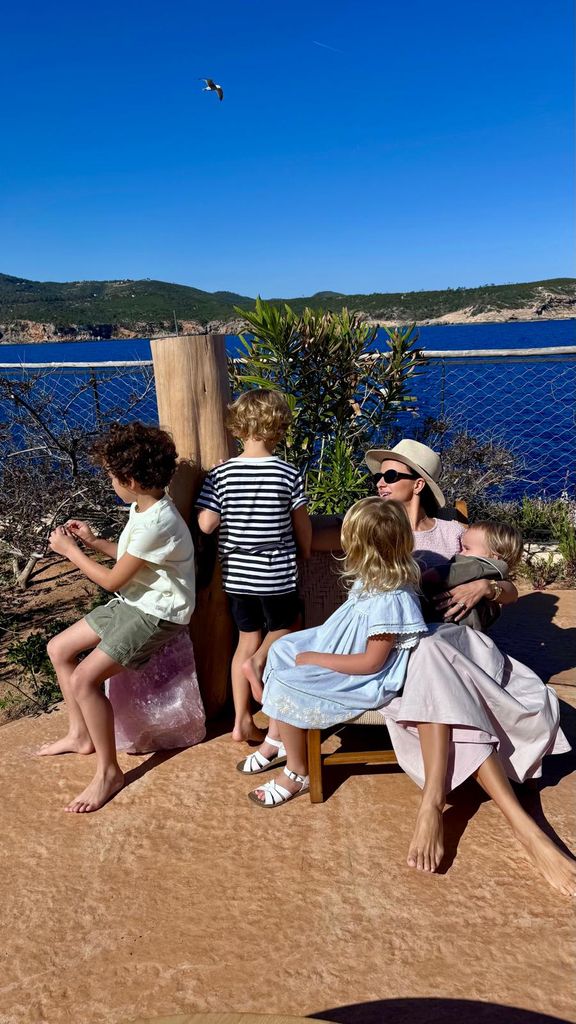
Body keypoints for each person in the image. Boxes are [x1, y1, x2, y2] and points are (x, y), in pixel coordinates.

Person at [364, 442, 574, 895]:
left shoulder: (453, 532)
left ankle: (432, 803)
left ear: (418, 484)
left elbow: (509, 586)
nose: (380, 482)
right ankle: (525, 828)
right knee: (429, 652)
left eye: (391, 475)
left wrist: (485, 587)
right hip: (407, 653)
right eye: (378, 476)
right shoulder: (375, 526)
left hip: (468, 652)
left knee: (435, 653)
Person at [38, 422, 196, 814]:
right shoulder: (145, 507)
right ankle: (80, 735)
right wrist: (93, 541)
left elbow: (112, 581)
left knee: (84, 678)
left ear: (130, 480)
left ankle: (109, 772)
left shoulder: (158, 521)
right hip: (136, 600)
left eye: (112, 476)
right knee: (59, 648)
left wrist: (71, 552)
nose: (111, 482)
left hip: (157, 613)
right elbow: (132, 560)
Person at [249, 498, 428, 807]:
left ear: (363, 548)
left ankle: (297, 772)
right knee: (281, 649)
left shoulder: (390, 599)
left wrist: (316, 658)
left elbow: (372, 663)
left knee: (287, 684)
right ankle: (277, 738)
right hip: (342, 650)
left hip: (361, 679)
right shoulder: (373, 578)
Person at [196, 389, 312, 768]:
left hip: (237, 576)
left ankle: (241, 720)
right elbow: (302, 525)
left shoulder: (222, 473)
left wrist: (210, 488)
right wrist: (304, 551)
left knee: (245, 640)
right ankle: (260, 664)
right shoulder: (288, 473)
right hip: (276, 573)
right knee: (288, 627)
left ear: (238, 426)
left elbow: (207, 523)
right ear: (278, 426)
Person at [421, 519, 524, 631]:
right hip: (471, 628)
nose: (460, 553)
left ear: (494, 556)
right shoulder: (498, 571)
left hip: (445, 622)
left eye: (466, 548)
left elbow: (446, 573)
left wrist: (420, 578)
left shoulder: (475, 564)